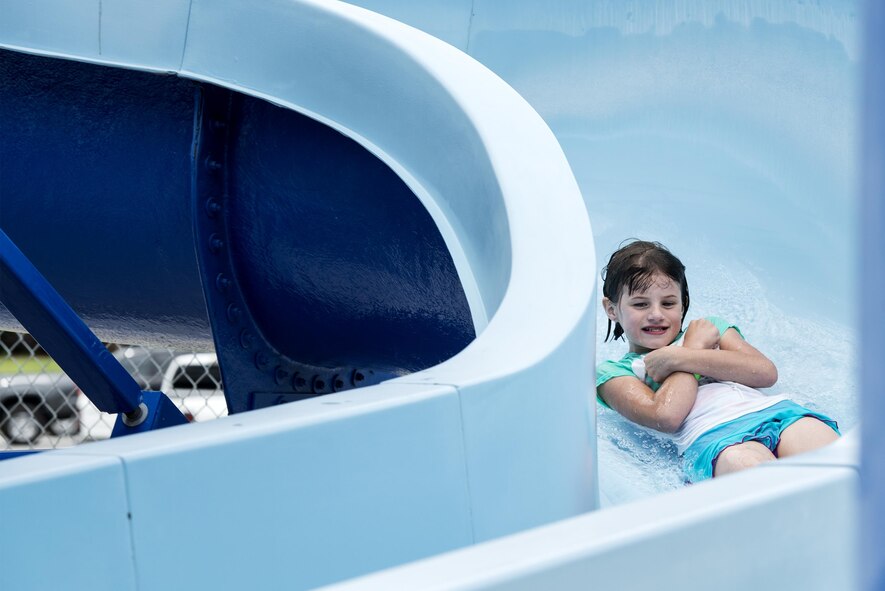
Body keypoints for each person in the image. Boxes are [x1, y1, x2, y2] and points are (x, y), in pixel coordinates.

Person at [596, 240, 840, 482]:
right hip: (715, 440)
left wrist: (683, 355)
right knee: (760, 477)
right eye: (640, 304)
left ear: (683, 305)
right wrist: (691, 349)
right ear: (612, 309)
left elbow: (765, 373)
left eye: (669, 303)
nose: (656, 314)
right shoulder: (615, 374)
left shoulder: (709, 329)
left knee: (831, 460)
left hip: (778, 414)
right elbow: (666, 416)